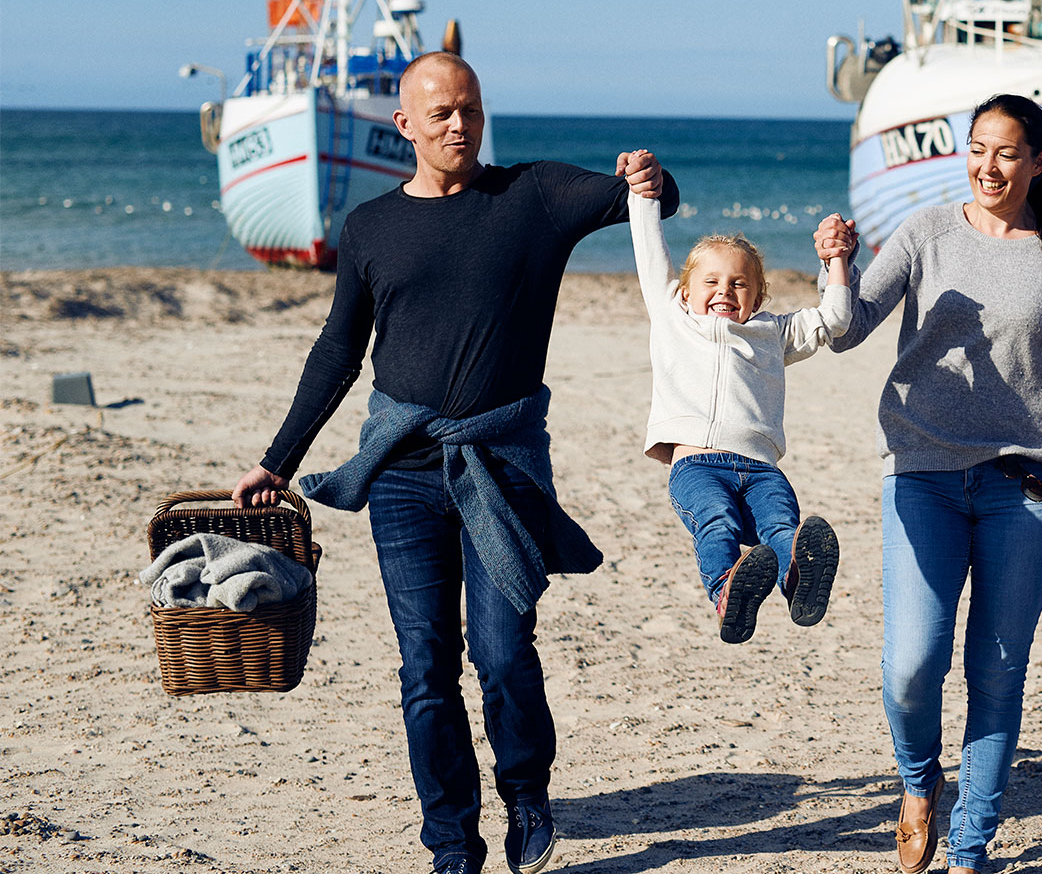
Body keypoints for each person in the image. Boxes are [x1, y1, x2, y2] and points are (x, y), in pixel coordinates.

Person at [231, 52, 680, 874]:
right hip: (401, 469)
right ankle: (451, 844)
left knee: (505, 653)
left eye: (469, 109)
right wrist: (278, 462)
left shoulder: (533, 195)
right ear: (404, 125)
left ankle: (529, 797)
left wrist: (648, 172)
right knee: (426, 667)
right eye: (439, 113)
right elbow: (338, 352)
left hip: (503, 464)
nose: (458, 125)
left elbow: (655, 200)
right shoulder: (370, 227)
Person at [813, 93, 1042, 874]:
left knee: (996, 670)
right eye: (976, 149)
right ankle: (916, 781)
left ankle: (970, 846)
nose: (988, 166)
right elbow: (851, 327)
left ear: (1038, 160)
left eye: (1005, 152)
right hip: (923, 473)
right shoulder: (928, 232)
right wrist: (838, 263)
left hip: (1028, 486)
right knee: (912, 663)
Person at [626, 171, 852, 642]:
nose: (725, 291)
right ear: (685, 292)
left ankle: (796, 578)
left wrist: (836, 262)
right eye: (711, 281)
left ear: (758, 296)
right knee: (717, 523)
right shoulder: (674, 317)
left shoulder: (772, 332)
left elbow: (835, 318)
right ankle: (728, 592)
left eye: (739, 283)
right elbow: (650, 256)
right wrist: (643, 196)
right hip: (697, 467)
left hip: (763, 469)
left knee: (782, 524)